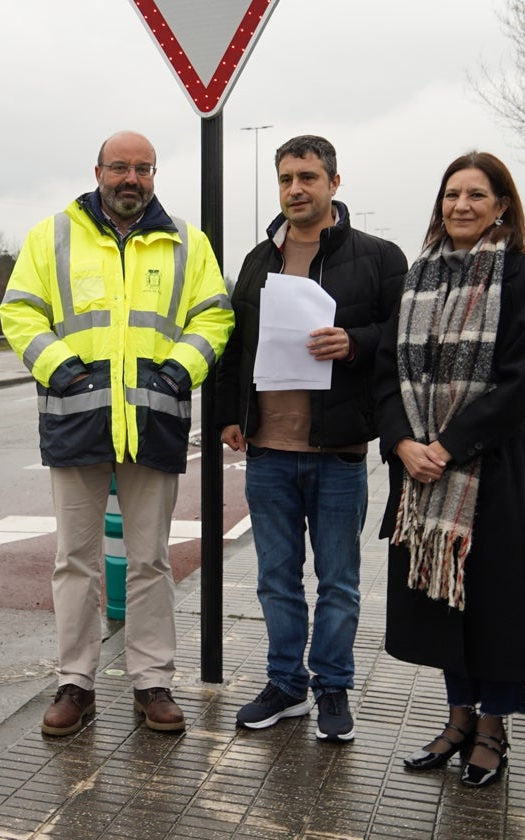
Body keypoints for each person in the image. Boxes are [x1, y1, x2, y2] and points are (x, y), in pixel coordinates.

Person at [0, 130, 234, 736]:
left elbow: (215, 313)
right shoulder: (51, 236)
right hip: (75, 419)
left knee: (151, 560)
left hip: (154, 421)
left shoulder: (187, 241)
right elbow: (19, 310)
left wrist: (182, 370)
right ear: (98, 170)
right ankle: (75, 682)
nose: (132, 179)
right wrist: (62, 371)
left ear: (155, 175)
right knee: (73, 561)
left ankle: (152, 681)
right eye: (120, 167)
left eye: (144, 169)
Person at [374, 152, 525, 787]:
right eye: (452, 194)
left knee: (494, 605)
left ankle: (493, 731)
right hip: (420, 476)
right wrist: (401, 444)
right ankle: (457, 720)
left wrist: (446, 446)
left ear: (502, 205)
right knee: (443, 605)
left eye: (477, 195)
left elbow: (520, 382)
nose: (461, 206)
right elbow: (385, 375)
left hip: (492, 472)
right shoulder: (418, 278)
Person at [217, 135, 406, 742]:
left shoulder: (377, 257)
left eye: (308, 177)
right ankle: (285, 685)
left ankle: (332, 687)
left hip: (339, 452)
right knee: (275, 578)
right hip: (269, 452)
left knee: (340, 582)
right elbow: (232, 346)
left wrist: (354, 342)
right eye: (286, 179)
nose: (295, 189)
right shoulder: (257, 261)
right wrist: (226, 413)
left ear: (333, 183)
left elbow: (402, 337)